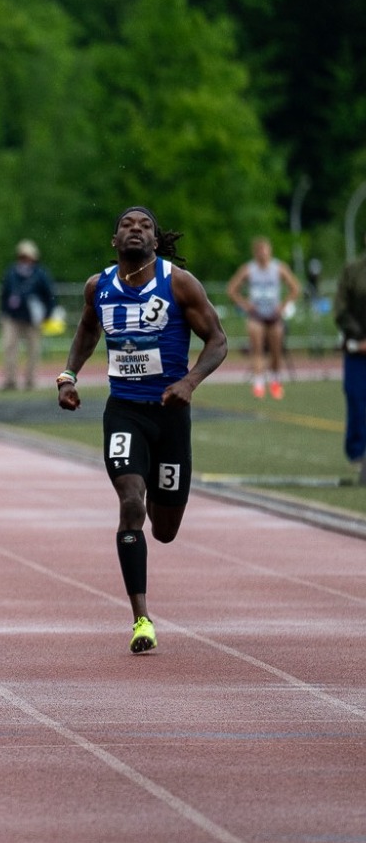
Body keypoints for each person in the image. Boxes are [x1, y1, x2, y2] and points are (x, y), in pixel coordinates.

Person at [55, 206, 227, 655]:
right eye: (127, 225)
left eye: (145, 225)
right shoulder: (99, 287)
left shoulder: (178, 283)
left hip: (170, 415)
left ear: (155, 240)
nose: (136, 230)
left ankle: (155, 479)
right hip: (125, 412)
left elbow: (218, 340)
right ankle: (141, 618)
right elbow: (87, 331)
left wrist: (188, 381)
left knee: (165, 528)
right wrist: (68, 376)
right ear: (114, 240)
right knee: (131, 501)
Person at [225, 236, 301, 399]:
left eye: (265, 250)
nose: (262, 254)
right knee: (257, 350)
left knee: (276, 352)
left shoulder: (279, 268)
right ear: (255, 253)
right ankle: (258, 384)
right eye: (259, 251)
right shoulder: (249, 269)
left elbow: (295, 288)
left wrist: (283, 305)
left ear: (270, 251)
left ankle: (275, 382)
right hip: (256, 315)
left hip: (274, 315)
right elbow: (231, 289)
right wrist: (245, 305)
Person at [0, 239, 56, 390]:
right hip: (12, 317)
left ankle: (31, 380)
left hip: (33, 319)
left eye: (27, 257)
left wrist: (47, 314)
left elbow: (49, 295)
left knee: (34, 350)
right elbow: (4, 293)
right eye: (22, 256)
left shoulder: (40, 274)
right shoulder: (11, 272)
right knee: (9, 348)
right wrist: (5, 310)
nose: (24, 260)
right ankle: (10, 381)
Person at [335, 252, 366, 480]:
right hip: (357, 346)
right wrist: (358, 337)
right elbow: (341, 308)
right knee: (356, 396)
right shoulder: (352, 271)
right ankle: (357, 451)